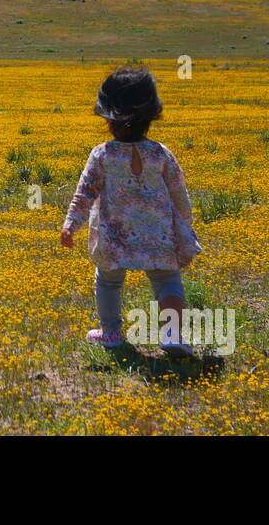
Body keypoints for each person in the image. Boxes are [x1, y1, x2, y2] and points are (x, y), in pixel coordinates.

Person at [60, 66, 201, 356]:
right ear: (151, 115)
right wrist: (184, 225)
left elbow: (85, 192)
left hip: (115, 235)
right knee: (167, 280)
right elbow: (178, 193)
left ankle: (110, 333)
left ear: (107, 117)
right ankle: (173, 336)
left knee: (108, 281)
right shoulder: (161, 153)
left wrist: (71, 224)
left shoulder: (102, 154)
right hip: (159, 233)